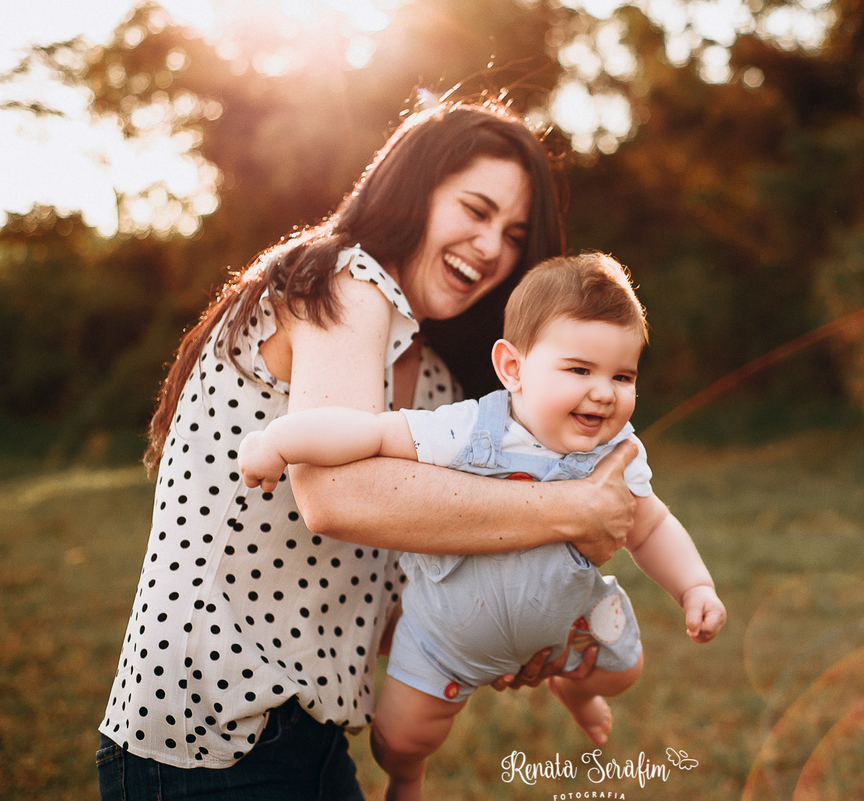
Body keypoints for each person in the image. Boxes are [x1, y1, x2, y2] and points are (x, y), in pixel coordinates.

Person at [97, 101, 640, 801]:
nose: (490, 247)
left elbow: (390, 593)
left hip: (313, 739)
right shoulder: (342, 280)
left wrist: (508, 633)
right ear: (413, 192)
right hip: (207, 732)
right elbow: (336, 496)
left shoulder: (439, 385)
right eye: (474, 210)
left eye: (512, 235)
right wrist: (571, 508)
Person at [238, 252, 727, 801]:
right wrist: (280, 442)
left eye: (623, 376)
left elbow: (650, 526)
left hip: (565, 629)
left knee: (622, 670)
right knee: (398, 739)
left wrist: (694, 587)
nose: (604, 392)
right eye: (579, 370)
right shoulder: (469, 429)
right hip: (443, 639)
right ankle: (406, 777)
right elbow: (370, 434)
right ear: (513, 368)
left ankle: (574, 690)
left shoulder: (617, 453)